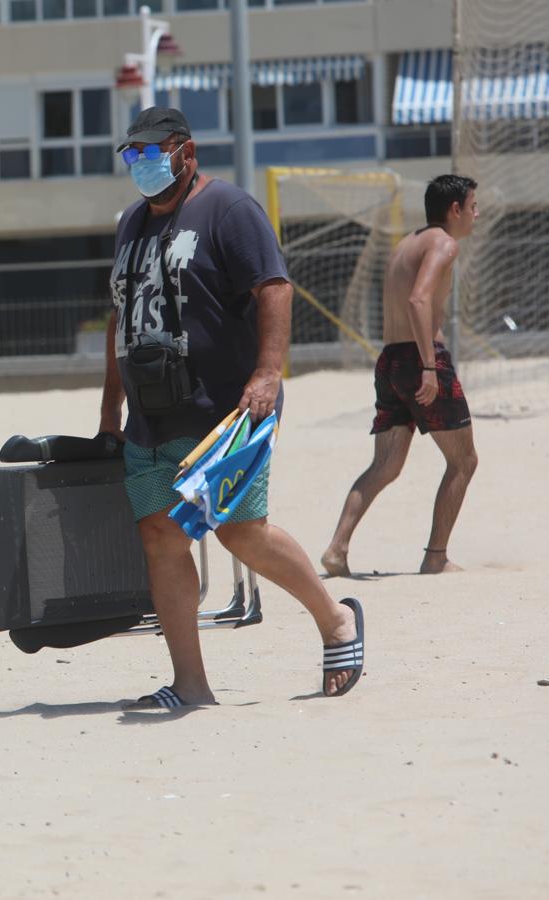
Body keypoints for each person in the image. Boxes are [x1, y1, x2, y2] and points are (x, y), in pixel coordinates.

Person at [97, 108, 364, 708]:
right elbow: (121, 318)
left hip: (223, 407)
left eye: (149, 152)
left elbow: (273, 288)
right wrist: (109, 410)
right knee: (161, 536)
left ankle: (336, 619)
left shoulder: (231, 210)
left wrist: (268, 373)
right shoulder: (130, 225)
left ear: (185, 151)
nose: (139, 164)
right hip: (149, 414)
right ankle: (191, 685)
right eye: (131, 155)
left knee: (241, 530)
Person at [322, 175, 479, 577]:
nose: (477, 214)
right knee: (464, 461)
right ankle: (436, 556)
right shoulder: (444, 244)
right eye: (472, 206)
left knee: (385, 466)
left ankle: (337, 549)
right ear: (455, 209)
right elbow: (419, 299)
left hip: (390, 360)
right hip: (421, 360)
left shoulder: (406, 243)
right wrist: (429, 366)